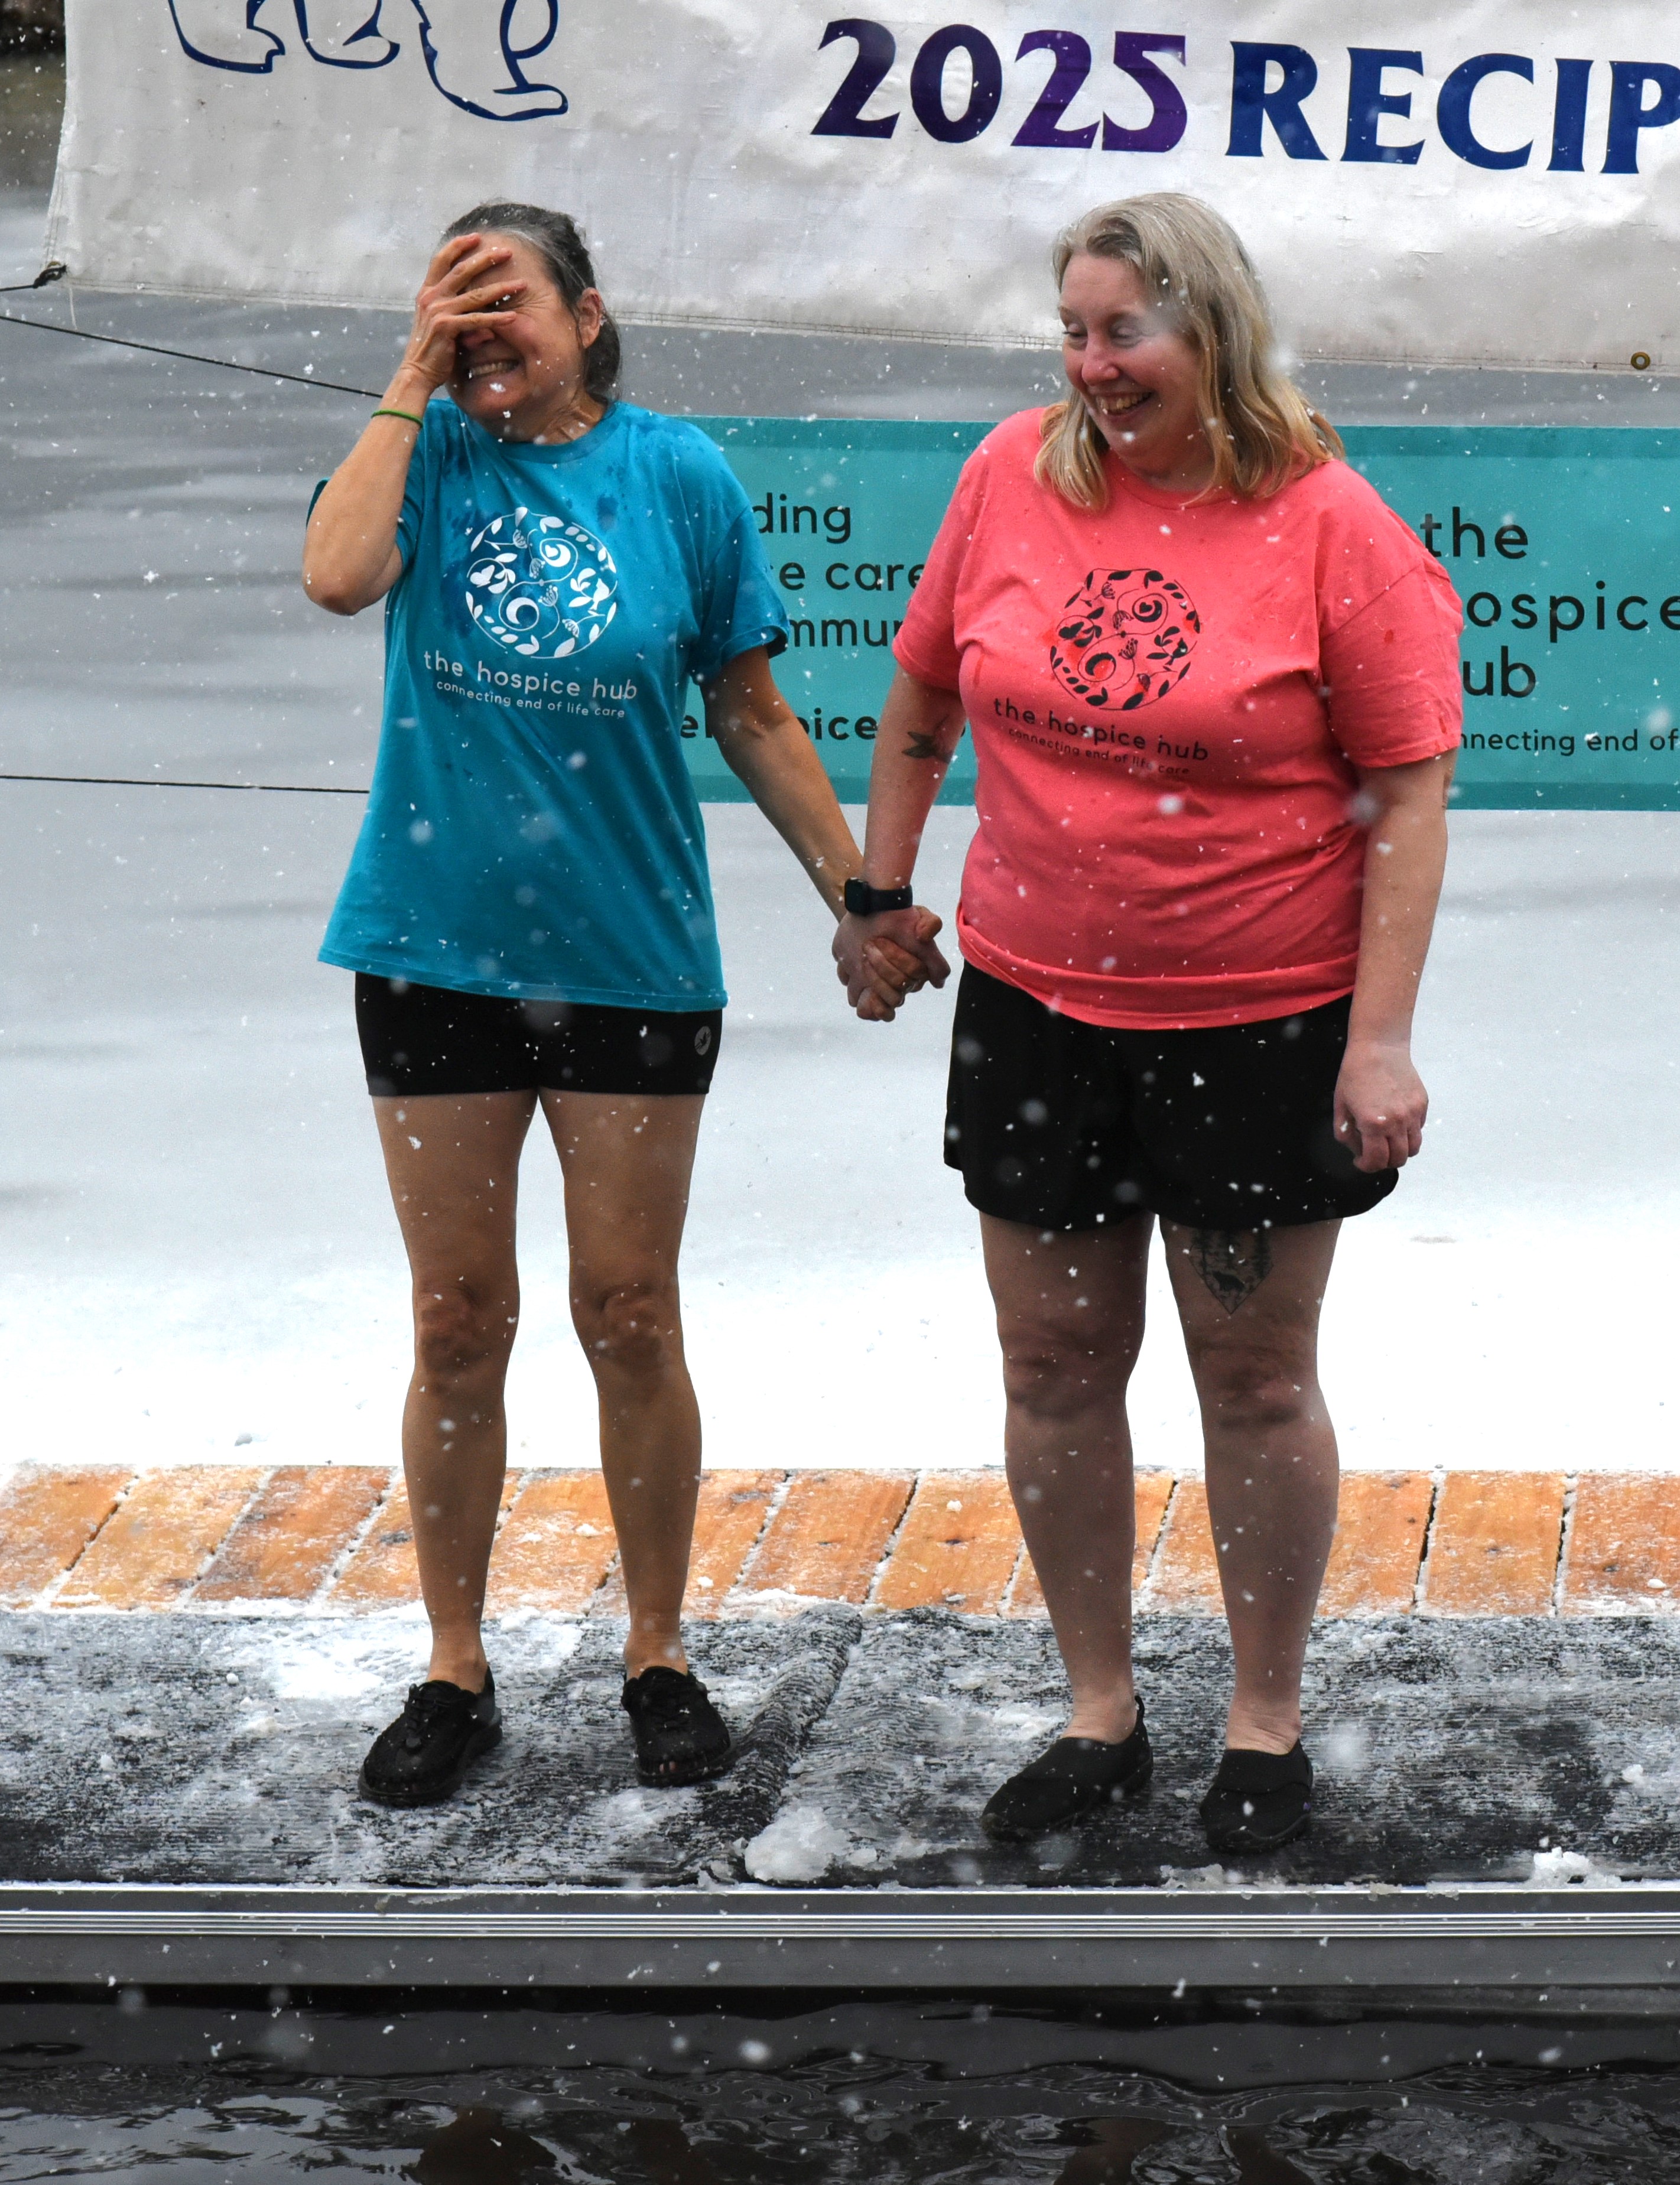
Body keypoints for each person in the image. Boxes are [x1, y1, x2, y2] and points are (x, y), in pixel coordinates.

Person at [833, 193, 1462, 1855]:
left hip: (1260, 1021)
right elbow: (920, 693)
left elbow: (1407, 796)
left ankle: (1262, 1716)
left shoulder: (1330, 524)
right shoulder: (1010, 478)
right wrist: (878, 888)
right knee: (1051, 1359)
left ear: (1214, 333)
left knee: (1250, 1376)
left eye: (1126, 331)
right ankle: (1096, 1704)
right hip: (1039, 1011)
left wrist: (1376, 1038)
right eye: (1074, 331)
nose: (1093, 366)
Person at [303, 201, 940, 1807]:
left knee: (626, 1308)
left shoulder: (676, 474)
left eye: (503, 299)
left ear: (589, 316)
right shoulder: (426, 455)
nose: (481, 330)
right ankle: (453, 1661)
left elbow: (751, 708)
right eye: (452, 303)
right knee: (459, 1321)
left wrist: (859, 896)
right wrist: (409, 371)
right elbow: (333, 574)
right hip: (432, 942)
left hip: (630, 955)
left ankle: (656, 1647)